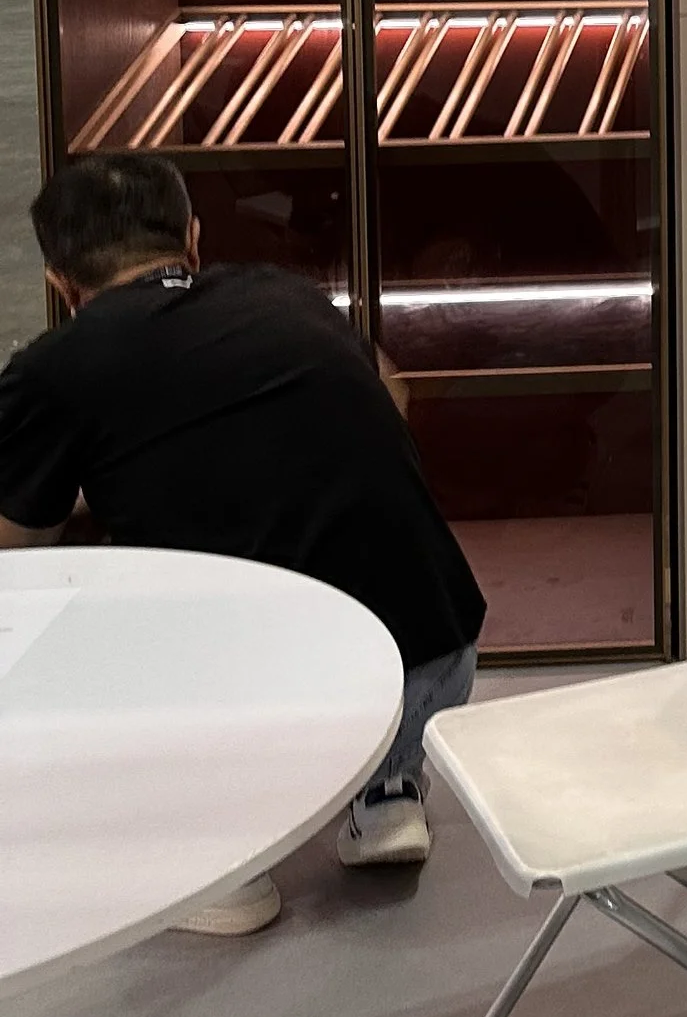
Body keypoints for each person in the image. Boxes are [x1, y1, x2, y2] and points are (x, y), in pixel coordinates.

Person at [0, 151, 486, 936]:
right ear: (192, 239)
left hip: (277, 692)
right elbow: (392, 391)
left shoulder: (54, 369)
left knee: (80, 596)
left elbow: (18, 545)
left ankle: (223, 858)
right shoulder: (286, 294)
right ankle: (386, 789)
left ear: (61, 281)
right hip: (432, 652)